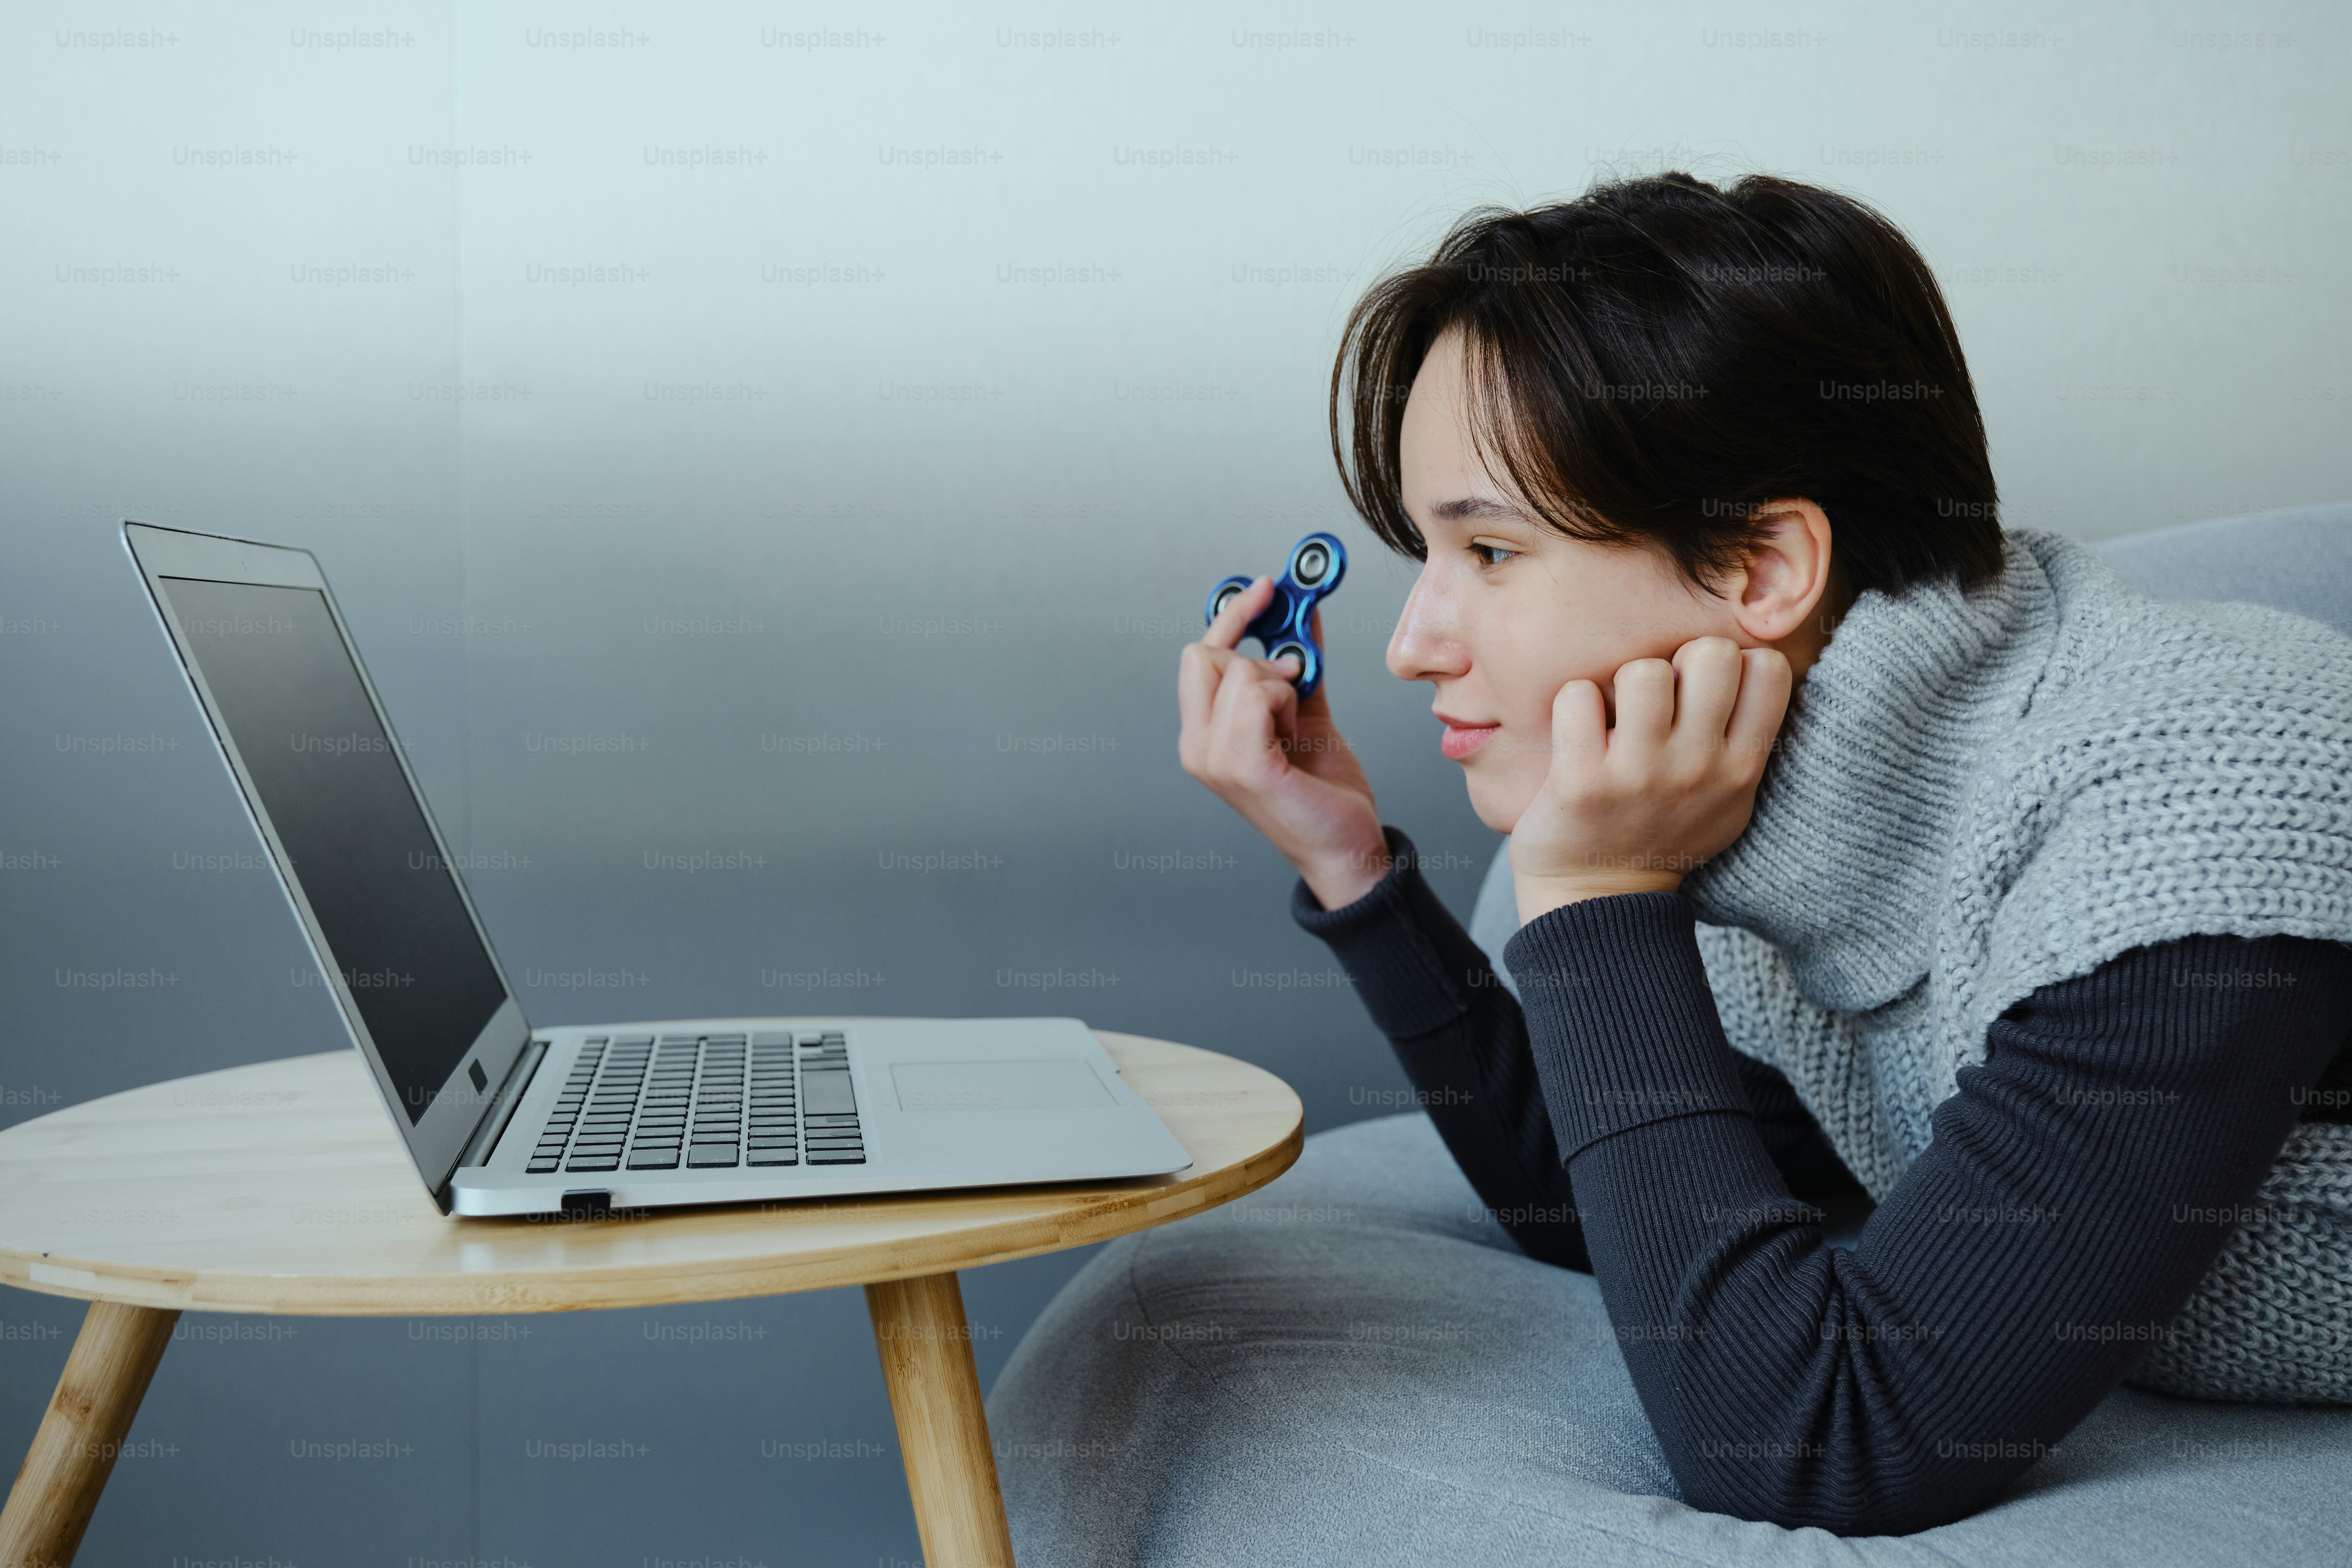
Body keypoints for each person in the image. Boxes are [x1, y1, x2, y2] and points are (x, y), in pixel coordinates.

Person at [987, 172, 2352, 1558]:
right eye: (1425, 555)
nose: (1412, 645)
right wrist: (1356, 870)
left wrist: (1595, 896)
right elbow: (1590, 1202)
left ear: (1764, 568)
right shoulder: (1789, 811)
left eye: (1494, 550)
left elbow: (1826, 1441)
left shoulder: (2189, 815)